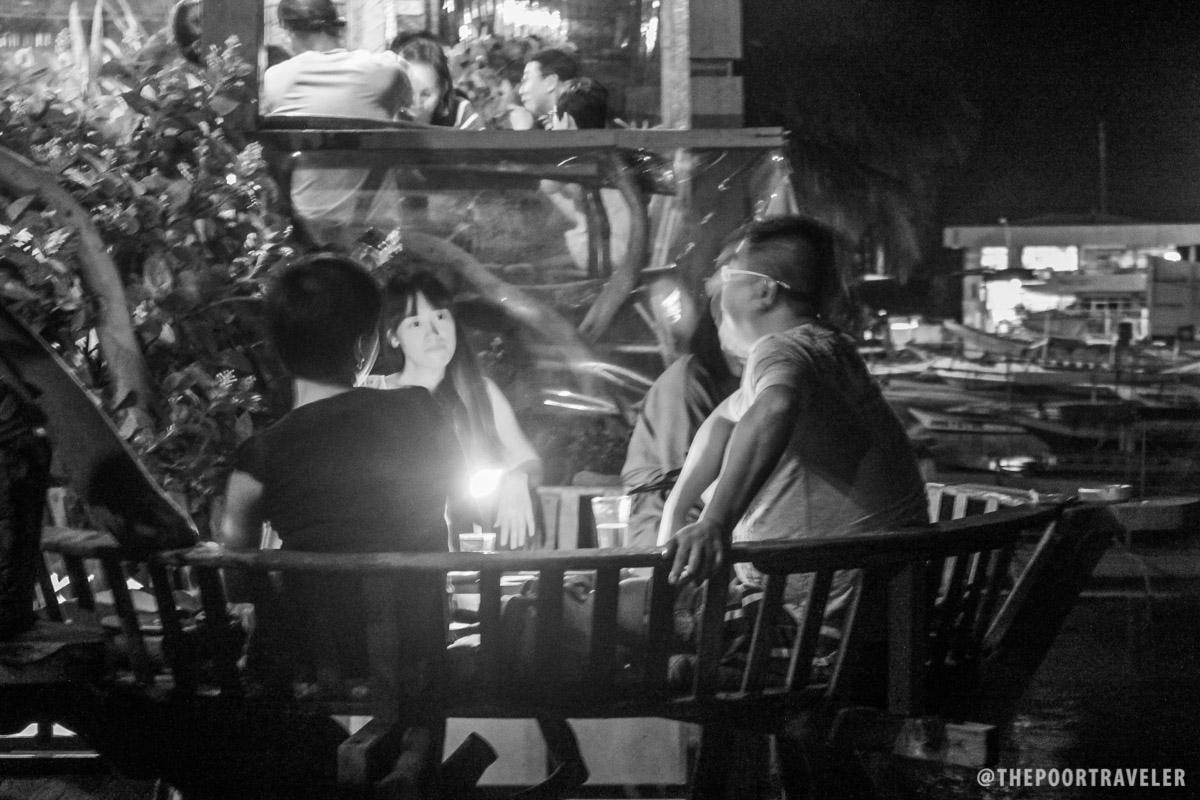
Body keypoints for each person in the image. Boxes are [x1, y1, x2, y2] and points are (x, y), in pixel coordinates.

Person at [220, 253, 467, 692]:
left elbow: (236, 576)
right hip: (417, 652)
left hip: (313, 663)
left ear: (280, 349)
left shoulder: (258, 457)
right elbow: (453, 496)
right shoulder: (422, 412)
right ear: (362, 345)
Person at [660, 217, 928, 596]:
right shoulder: (829, 351)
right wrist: (678, 505)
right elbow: (725, 417)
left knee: (589, 604)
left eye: (726, 274)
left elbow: (775, 407)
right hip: (881, 600)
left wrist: (715, 521)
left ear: (764, 291)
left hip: (812, 618)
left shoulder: (780, 349)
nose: (714, 289)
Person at [368, 270, 542, 549]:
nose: (434, 333)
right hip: (398, 555)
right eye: (415, 324)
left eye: (440, 317)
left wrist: (516, 478)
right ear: (393, 337)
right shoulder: (373, 393)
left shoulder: (479, 393)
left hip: (472, 552)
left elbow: (526, 458)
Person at [262, 0, 411, 245]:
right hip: (376, 235)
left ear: (290, 32)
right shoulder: (384, 71)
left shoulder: (277, 79)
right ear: (338, 28)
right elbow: (407, 104)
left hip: (307, 231)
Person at [620, 311, 741, 549]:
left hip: (716, 518)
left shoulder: (749, 382)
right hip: (664, 523)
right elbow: (693, 478)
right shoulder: (688, 378)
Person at [391, 36, 484, 129]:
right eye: (408, 91)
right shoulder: (383, 111)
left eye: (426, 94)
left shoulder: (459, 113)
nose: (415, 101)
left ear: (443, 89)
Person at [518, 47, 579, 129]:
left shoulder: (584, 121)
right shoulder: (541, 127)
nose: (520, 91)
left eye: (526, 80)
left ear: (550, 82)